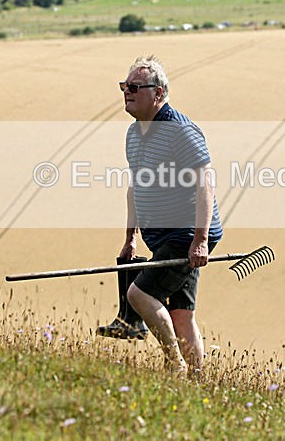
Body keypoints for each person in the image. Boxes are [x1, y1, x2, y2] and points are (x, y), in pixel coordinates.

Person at [97, 55, 223, 374]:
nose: (127, 92)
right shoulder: (134, 134)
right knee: (181, 313)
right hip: (164, 235)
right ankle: (198, 381)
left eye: (136, 87)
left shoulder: (180, 130)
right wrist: (131, 239)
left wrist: (200, 240)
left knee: (139, 294)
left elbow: (205, 184)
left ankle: (175, 366)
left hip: (185, 233)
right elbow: (135, 188)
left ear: (159, 93)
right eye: (125, 86)